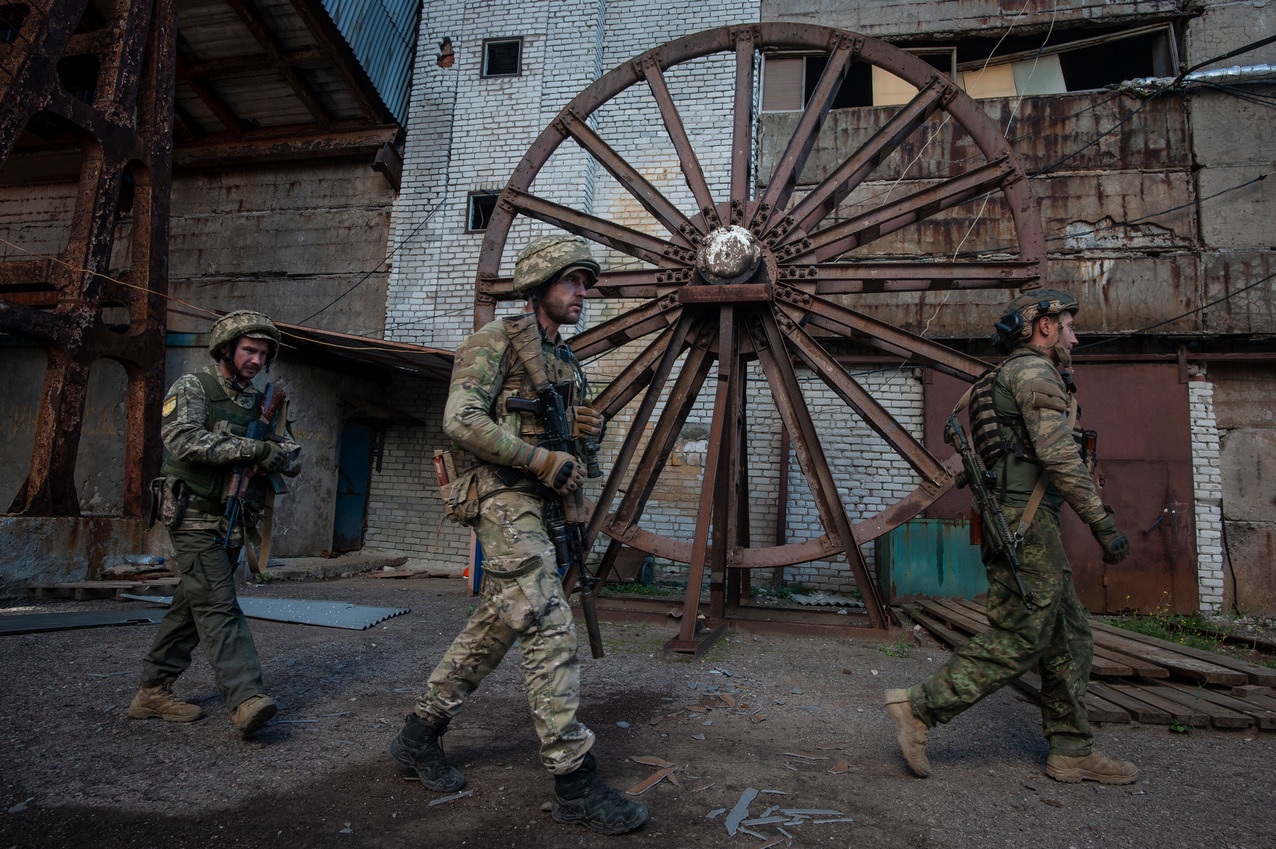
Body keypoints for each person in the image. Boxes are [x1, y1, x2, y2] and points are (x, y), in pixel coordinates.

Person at [388, 235, 647, 835]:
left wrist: (591, 432)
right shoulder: (495, 342)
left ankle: (415, 736)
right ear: (539, 287)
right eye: (572, 282)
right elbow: (461, 420)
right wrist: (537, 459)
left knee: (499, 621)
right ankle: (573, 781)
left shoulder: (567, 362)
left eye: (586, 282)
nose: (584, 293)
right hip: (501, 493)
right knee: (546, 615)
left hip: (545, 503)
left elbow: (576, 453)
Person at [885, 289, 1136, 784]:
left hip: (1019, 517)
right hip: (1027, 520)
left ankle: (1072, 749)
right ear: (1042, 326)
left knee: (1070, 636)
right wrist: (1102, 523)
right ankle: (919, 707)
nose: (1074, 335)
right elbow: (1057, 453)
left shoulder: (996, 378)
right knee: (1024, 633)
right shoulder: (1033, 373)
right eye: (1066, 324)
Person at [128, 310, 301, 737]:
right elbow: (183, 439)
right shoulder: (194, 387)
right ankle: (246, 698)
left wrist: (276, 455)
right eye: (249, 350)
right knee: (219, 605)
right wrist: (253, 449)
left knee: (193, 603)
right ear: (226, 349)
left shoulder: (264, 402)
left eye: (263, 353)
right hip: (192, 515)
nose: (256, 360)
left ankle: (152, 690)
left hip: (233, 518)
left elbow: (292, 450)